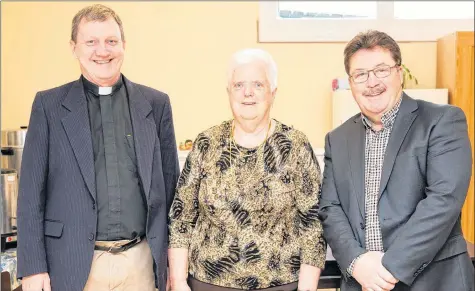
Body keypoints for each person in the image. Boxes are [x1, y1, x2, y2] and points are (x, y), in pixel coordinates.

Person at [16, 4, 179, 291]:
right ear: (74, 47)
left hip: (140, 263)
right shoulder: (49, 106)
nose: (102, 51)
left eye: (111, 41)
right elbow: (30, 194)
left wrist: (173, 268)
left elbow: (171, 192)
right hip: (70, 263)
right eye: (91, 42)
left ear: (124, 45)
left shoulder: (155, 104)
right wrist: (32, 267)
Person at [319, 30, 474, 291]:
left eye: (381, 70)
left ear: (399, 73)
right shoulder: (338, 138)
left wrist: (387, 269)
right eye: (361, 74)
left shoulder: (442, 121)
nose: (372, 82)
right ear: (351, 82)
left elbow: (443, 200)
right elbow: (330, 208)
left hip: (434, 281)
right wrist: (357, 263)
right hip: (362, 282)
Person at [168, 48, 326, 291]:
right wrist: (178, 281)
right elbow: (182, 216)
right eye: (239, 85)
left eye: (258, 85)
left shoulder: (295, 145)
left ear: (273, 92)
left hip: (281, 283)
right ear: (228, 92)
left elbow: (312, 224)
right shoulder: (206, 143)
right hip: (207, 283)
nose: (248, 93)